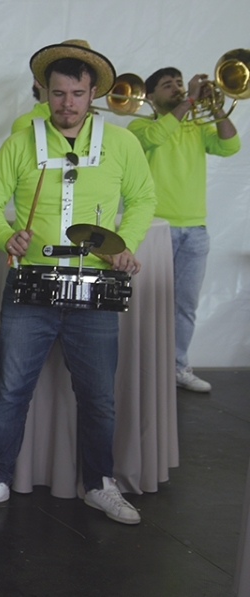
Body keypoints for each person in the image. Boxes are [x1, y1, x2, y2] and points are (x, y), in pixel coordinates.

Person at [0, 40, 156, 525]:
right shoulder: (22, 140)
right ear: (44, 93)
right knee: (11, 388)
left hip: (95, 283)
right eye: (58, 93)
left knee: (98, 395)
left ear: (93, 95)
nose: (67, 103)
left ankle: (100, 484)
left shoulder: (122, 143)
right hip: (31, 279)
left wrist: (122, 244)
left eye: (77, 93)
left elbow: (143, 198)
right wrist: (7, 235)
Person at [127, 66, 240, 393]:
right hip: (153, 228)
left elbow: (230, 146)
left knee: (184, 305)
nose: (176, 87)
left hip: (195, 229)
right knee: (141, 301)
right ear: (149, 96)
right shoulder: (139, 126)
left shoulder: (195, 125)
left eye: (179, 83)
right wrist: (189, 99)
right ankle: (138, 368)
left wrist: (215, 106)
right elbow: (156, 137)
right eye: (168, 85)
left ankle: (177, 366)